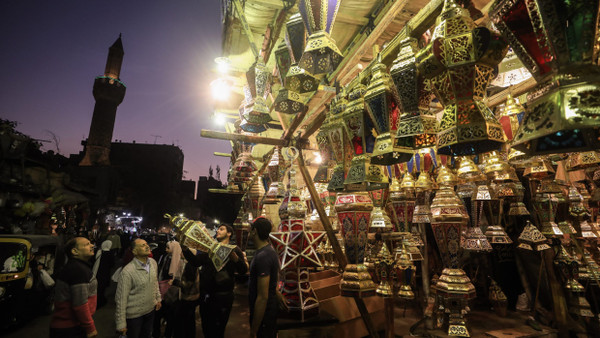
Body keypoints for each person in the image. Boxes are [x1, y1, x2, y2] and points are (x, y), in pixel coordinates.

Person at [182, 224, 248, 338]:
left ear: (229, 233)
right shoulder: (211, 248)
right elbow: (196, 261)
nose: (218, 230)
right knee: (206, 328)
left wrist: (236, 259)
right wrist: (185, 249)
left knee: (218, 330)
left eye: (222, 229)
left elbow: (243, 270)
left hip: (223, 297)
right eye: (218, 228)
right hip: (207, 297)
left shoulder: (233, 249)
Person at [49, 237, 98, 338]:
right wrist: (90, 327)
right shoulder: (78, 270)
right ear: (74, 251)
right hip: (70, 329)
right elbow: (80, 304)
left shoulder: (77, 266)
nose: (92, 246)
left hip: (69, 326)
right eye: (87, 244)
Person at [115, 238, 162, 338]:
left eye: (146, 244)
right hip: (134, 317)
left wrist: (158, 298)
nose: (147, 246)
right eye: (142, 245)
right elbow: (121, 298)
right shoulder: (128, 271)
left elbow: (155, 282)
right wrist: (121, 322)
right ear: (134, 251)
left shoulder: (153, 263)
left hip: (150, 311)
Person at [248, 217, 280, 338]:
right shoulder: (268, 251)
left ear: (254, 231)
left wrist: (254, 330)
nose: (249, 232)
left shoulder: (263, 256)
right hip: (267, 314)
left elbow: (262, 297)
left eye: (250, 229)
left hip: (264, 316)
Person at [92, 240, 115, 308]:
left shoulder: (99, 251)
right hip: (104, 273)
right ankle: (99, 302)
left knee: (97, 287)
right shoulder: (109, 254)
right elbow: (112, 264)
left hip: (96, 271)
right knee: (102, 288)